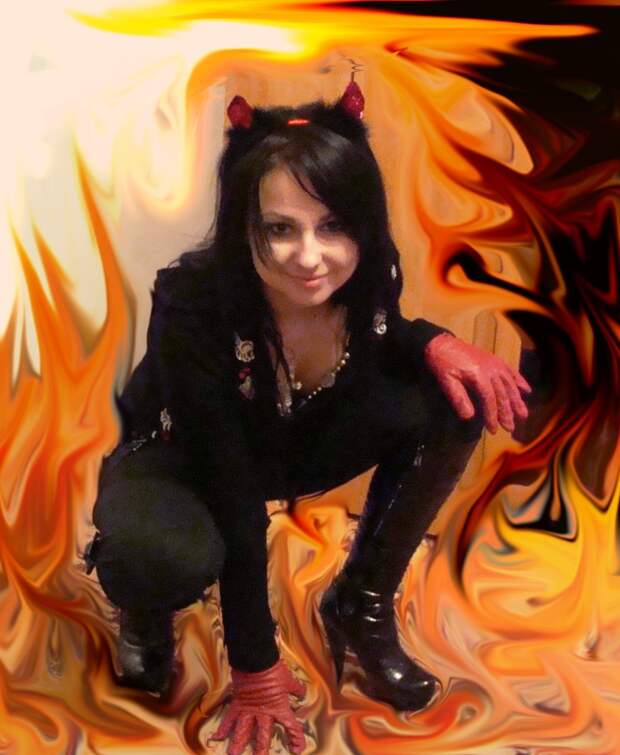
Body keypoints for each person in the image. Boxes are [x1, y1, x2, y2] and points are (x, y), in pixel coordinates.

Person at [83, 80, 531, 755]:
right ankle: (144, 605)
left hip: (287, 437)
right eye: (280, 228)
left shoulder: (371, 272)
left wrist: (436, 342)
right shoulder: (192, 301)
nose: (311, 256)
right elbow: (230, 482)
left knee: (449, 399)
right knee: (167, 554)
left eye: (334, 226)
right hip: (182, 458)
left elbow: (382, 332)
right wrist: (255, 666)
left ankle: (359, 604)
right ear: (244, 224)